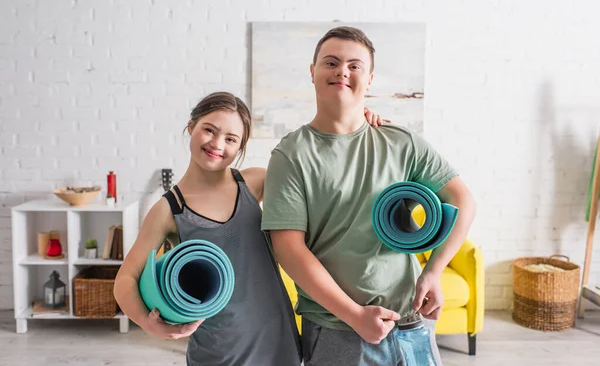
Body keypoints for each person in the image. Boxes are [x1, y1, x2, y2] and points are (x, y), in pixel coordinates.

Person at [113, 91, 386, 366]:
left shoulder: (255, 183)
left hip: (279, 341)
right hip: (217, 351)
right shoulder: (169, 209)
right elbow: (126, 280)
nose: (217, 144)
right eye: (210, 130)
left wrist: (354, 124)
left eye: (231, 139)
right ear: (191, 126)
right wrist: (150, 325)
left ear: (240, 146)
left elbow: (319, 173)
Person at [261, 26, 477, 366]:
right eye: (330, 62)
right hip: (339, 329)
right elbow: (288, 249)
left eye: (354, 65)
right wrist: (354, 315)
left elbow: (463, 200)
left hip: (409, 322)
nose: (342, 71)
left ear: (370, 78)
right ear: (312, 72)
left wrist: (434, 271)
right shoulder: (291, 155)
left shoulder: (402, 143)